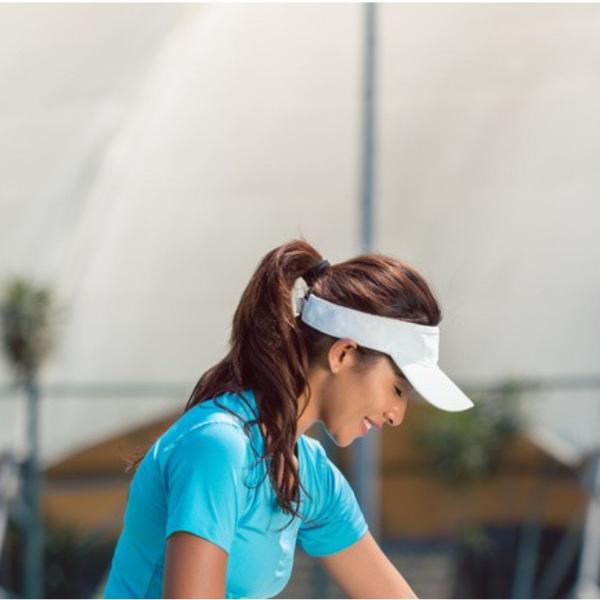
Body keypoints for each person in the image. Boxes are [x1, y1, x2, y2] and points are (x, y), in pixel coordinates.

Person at [103, 238, 474, 599]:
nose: (398, 416)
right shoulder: (218, 447)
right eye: (397, 389)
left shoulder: (312, 474)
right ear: (343, 354)